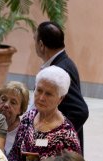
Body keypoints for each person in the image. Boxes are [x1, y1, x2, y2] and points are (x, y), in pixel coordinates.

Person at [34, 21, 88, 152]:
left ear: (41, 45)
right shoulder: (64, 62)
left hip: (60, 155)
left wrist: (57, 136)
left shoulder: (60, 70)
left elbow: (80, 111)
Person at [8, 66, 81, 161]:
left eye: (48, 94)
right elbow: (14, 153)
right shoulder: (28, 118)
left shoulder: (66, 135)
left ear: (60, 98)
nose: (41, 98)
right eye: (39, 90)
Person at [0, 81, 30, 154]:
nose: (6, 105)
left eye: (13, 102)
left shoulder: (24, 133)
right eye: (3, 99)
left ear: (20, 109)